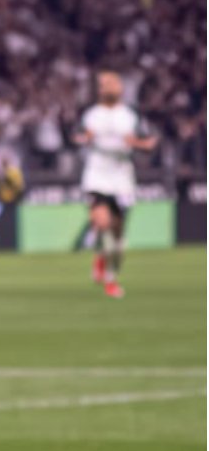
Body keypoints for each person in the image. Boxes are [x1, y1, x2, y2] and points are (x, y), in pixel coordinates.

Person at [73, 71, 158, 299]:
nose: (106, 88)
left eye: (110, 84)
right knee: (102, 222)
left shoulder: (130, 115)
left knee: (118, 237)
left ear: (119, 88)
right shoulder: (91, 114)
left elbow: (141, 139)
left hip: (121, 178)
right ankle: (102, 261)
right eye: (102, 85)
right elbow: (82, 135)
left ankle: (111, 276)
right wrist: (83, 139)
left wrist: (143, 144)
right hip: (97, 176)